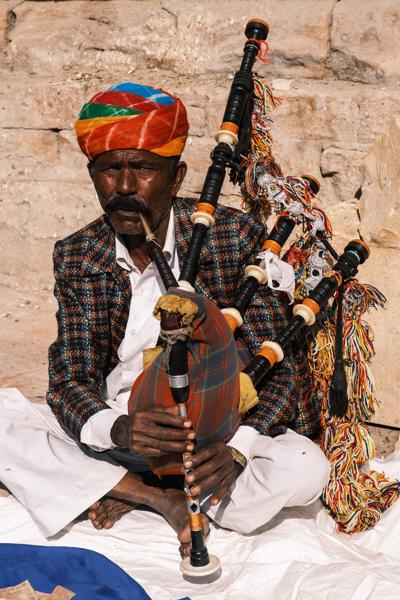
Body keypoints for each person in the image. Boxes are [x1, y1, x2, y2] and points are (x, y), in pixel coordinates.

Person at [0, 83, 329, 553]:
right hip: (122, 431)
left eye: (144, 170)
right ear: (94, 176)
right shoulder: (78, 253)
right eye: (111, 170)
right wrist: (119, 429)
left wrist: (236, 451)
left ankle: (123, 486)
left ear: (176, 178)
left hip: (213, 437)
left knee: (305, 467)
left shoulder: (231, 237)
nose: (126, 187)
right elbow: (70, 377)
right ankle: (151, 495)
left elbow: (279, 366)